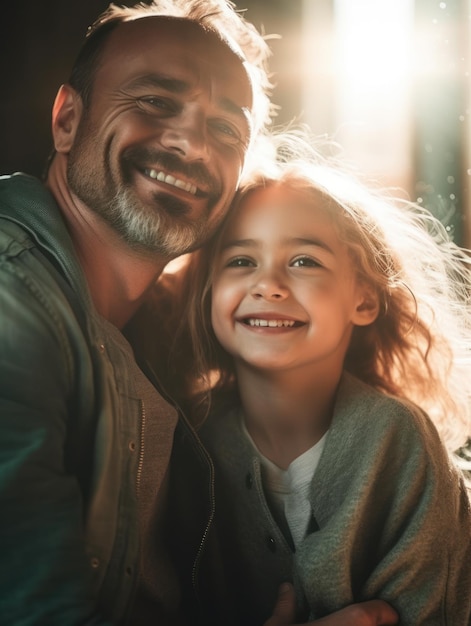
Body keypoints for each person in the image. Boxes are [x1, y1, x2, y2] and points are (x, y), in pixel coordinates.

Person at [0, 2, 397, 625]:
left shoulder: (163, 336)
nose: (190, 143)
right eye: (155, 102)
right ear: (68, 119)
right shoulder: (11, 298)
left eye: (226, 130)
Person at [153, 130, 471, 625]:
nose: (269, 285)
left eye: (304, 261)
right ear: (208, 292)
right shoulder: (188, 442)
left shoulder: (399, 439)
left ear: (363, 299)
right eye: (241, 261)